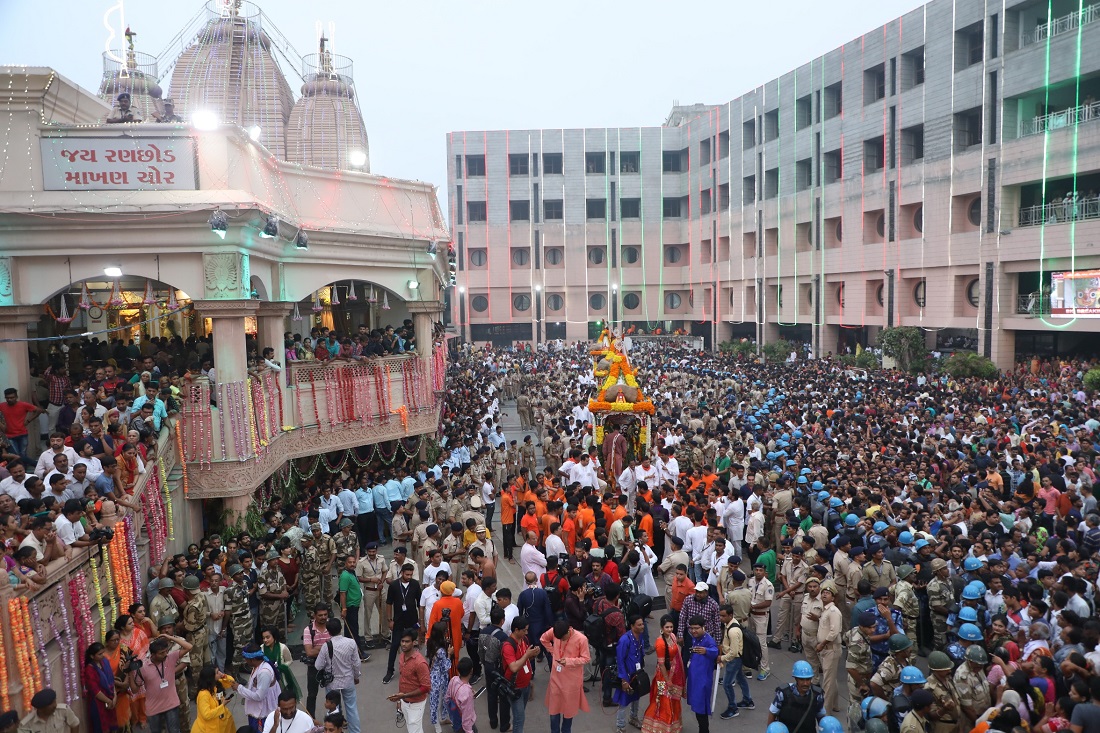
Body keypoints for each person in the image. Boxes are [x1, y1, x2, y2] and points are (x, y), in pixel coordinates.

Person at [541, 619, 591, 733]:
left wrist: (569, 661)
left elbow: (586, 658)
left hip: (571, 681)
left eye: (563, 638)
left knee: (568, 713)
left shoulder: (581, 639)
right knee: (554, 712)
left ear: (569, 631)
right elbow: (543, 639)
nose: (560, 640)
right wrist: (553, 652)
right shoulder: (556, 631)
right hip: (556, 678)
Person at [314, 618, 361, 733]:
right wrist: (356, 676)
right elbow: (356, 663)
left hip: (332, 683)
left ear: (328, 631)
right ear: (340, 628)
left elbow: (318, 666)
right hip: (348, 680)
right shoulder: (351, 643)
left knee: (334, 711)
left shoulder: (326, 646)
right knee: (351, 708)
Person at [642, 615, 686, 733]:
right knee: (662, 698)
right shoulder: (660, 643)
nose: (670, 629)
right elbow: (661, 665)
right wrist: (668, 681)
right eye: (667, 627)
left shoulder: (672, 636)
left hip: (674, 673)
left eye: (671, 627)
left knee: (673, 700)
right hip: (662, 677)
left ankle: (672, 725)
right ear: (662, 627)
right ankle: (660, 727)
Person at [141, 635, 191, 733]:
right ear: (153, 654)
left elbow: (189, 647)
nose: (165, 654)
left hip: (171, 705)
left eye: (166, 651)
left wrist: (169, 637)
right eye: (161, 653)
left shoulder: (170, 658)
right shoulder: (144, 667)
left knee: (174, 730)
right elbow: (136, 686)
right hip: (154, 708)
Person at [384, 563, 422, 685]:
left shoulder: (415, 584)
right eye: (407, 574)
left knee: (414, 646)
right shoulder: (394, 585)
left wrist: (420, 621)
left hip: (412, 620)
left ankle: (416, 670)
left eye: (411, 574)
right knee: (395, 645)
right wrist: (390, 620)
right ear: (401, 573)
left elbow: (419, 604)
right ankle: (390, 671)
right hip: (398, 620)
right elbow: (389, 603)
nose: (409, 576)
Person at [500, 616, 539, 733]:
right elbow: (514, 667)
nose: (526, 633)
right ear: (516, 630)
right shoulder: (508, 645)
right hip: (514, 687)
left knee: (520, 715)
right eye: (524, 630)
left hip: (525, 685)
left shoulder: (524, 640)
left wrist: (533, 654)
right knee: (519, 719)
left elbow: (524, 659)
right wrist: (527, 655)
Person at [388, 629, 431, 733]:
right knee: (413, 729)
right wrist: (400, 700)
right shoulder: (402, 656)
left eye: (407, 641)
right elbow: (402, 679)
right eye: (402, 641)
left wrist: (404, 696)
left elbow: (426, 687)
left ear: (414, 642)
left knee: (414, 730)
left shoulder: (420, 663)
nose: (403, 644)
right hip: (404, 702)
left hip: (416, 704)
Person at [684, 616, 719, 733]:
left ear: (704, 627)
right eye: (691, 628)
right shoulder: (695, 638)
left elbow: (715, 651)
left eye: (696, 628)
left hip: (702, 682)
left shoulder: (708, 640)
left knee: (701, 710)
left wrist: (706, 651)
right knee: (697, 709)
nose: (693, 631)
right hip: (694, 679)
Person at [234, 643, 280, 733]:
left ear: (253, 659)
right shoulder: (257, 666)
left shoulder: (264, 673)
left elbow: (259, 697)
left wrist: (239, 688)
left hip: (262, 713)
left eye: (246, 659)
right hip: (256, 711)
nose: (245, 661)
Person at [767, 662, 825, 733]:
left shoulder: (817, 695)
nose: (805, 683)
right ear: (796, 679)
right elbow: (772, 713)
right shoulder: (783, 693)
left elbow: (821, 718)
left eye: (808, 679)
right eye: (802, 679)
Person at [615, 615, 647, 733]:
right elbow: (620, 660)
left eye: (642, 624)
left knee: (636, 697)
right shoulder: (624, 640)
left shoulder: (640, 636)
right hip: (627, 675)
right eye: (639, 625)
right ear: (632, 626)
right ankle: (620, 726)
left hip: (636, 673)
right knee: (623, 701)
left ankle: (633, 718)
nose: (642, 626)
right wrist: (624, 679)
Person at [718, 604, 751, 719]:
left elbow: (733, 652)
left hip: (734, 660)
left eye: (723, 616)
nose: (721, 618)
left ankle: (733, 708)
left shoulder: (733, 631)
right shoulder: (730, 623)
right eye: (720, 615)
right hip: (736, 659)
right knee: (741, 679)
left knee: (727, 684)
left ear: (730, 615)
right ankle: (747, 700)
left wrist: (721, 658)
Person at [302, 604, 332, 718]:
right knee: (312, 694)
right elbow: (309, 652)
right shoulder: (308, 630)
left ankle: (337, 718)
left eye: (325, 615)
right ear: (314, 616)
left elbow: (336, 645)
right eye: (320, 615)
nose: (323, 617)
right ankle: (310, 719)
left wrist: (318, 648)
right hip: (314, 665)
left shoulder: (331, 626)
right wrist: (327, 647)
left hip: (330, 664)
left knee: (333, 694)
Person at [83, 643, 118, 733]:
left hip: (110, 697)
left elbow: (111, 679)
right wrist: (109, 701)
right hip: (99, 703)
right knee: (103, 727)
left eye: (103, 652)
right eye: (100, 654)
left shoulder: (104, 662)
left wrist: (114, 696)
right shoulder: (89, 670)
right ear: (92, 656)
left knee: (112, 726)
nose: (103, 655)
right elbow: (95, 691)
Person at [260, 626, 301, 703]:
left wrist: (281, 667)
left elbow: (289, 660)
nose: (265, 640)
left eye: (268, 637)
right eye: (263, 638)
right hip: (268, 679)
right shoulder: (261, 649)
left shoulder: (282, 647)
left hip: (282, 678)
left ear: (274, 636)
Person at [191, 664, 235, 733]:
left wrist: (223, 675)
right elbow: (207, 715)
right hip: (207, 729)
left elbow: (232, 682)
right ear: (211, 677)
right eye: (217, 672)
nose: (220, 673)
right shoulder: (203, 694)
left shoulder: (216, 684)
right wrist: (222, 705)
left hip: (220, 724)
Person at [425, 623, 453, 733]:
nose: (446, 633)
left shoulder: (430, 643)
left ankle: (441, 719)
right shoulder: (441, 651)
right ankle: (438, 728)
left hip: (433, 676)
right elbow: (446, 666)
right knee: (438, 703)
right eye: (445, 631)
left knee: (437, 702)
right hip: (439, 679)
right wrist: (449, 654)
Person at [445, 658, 476, 733]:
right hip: (463, 726)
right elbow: (466, 717)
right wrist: (469, 731)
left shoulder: (453, 679)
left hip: (455, 717)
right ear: (471, 670)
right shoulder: (467, 693)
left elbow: (447, 697)